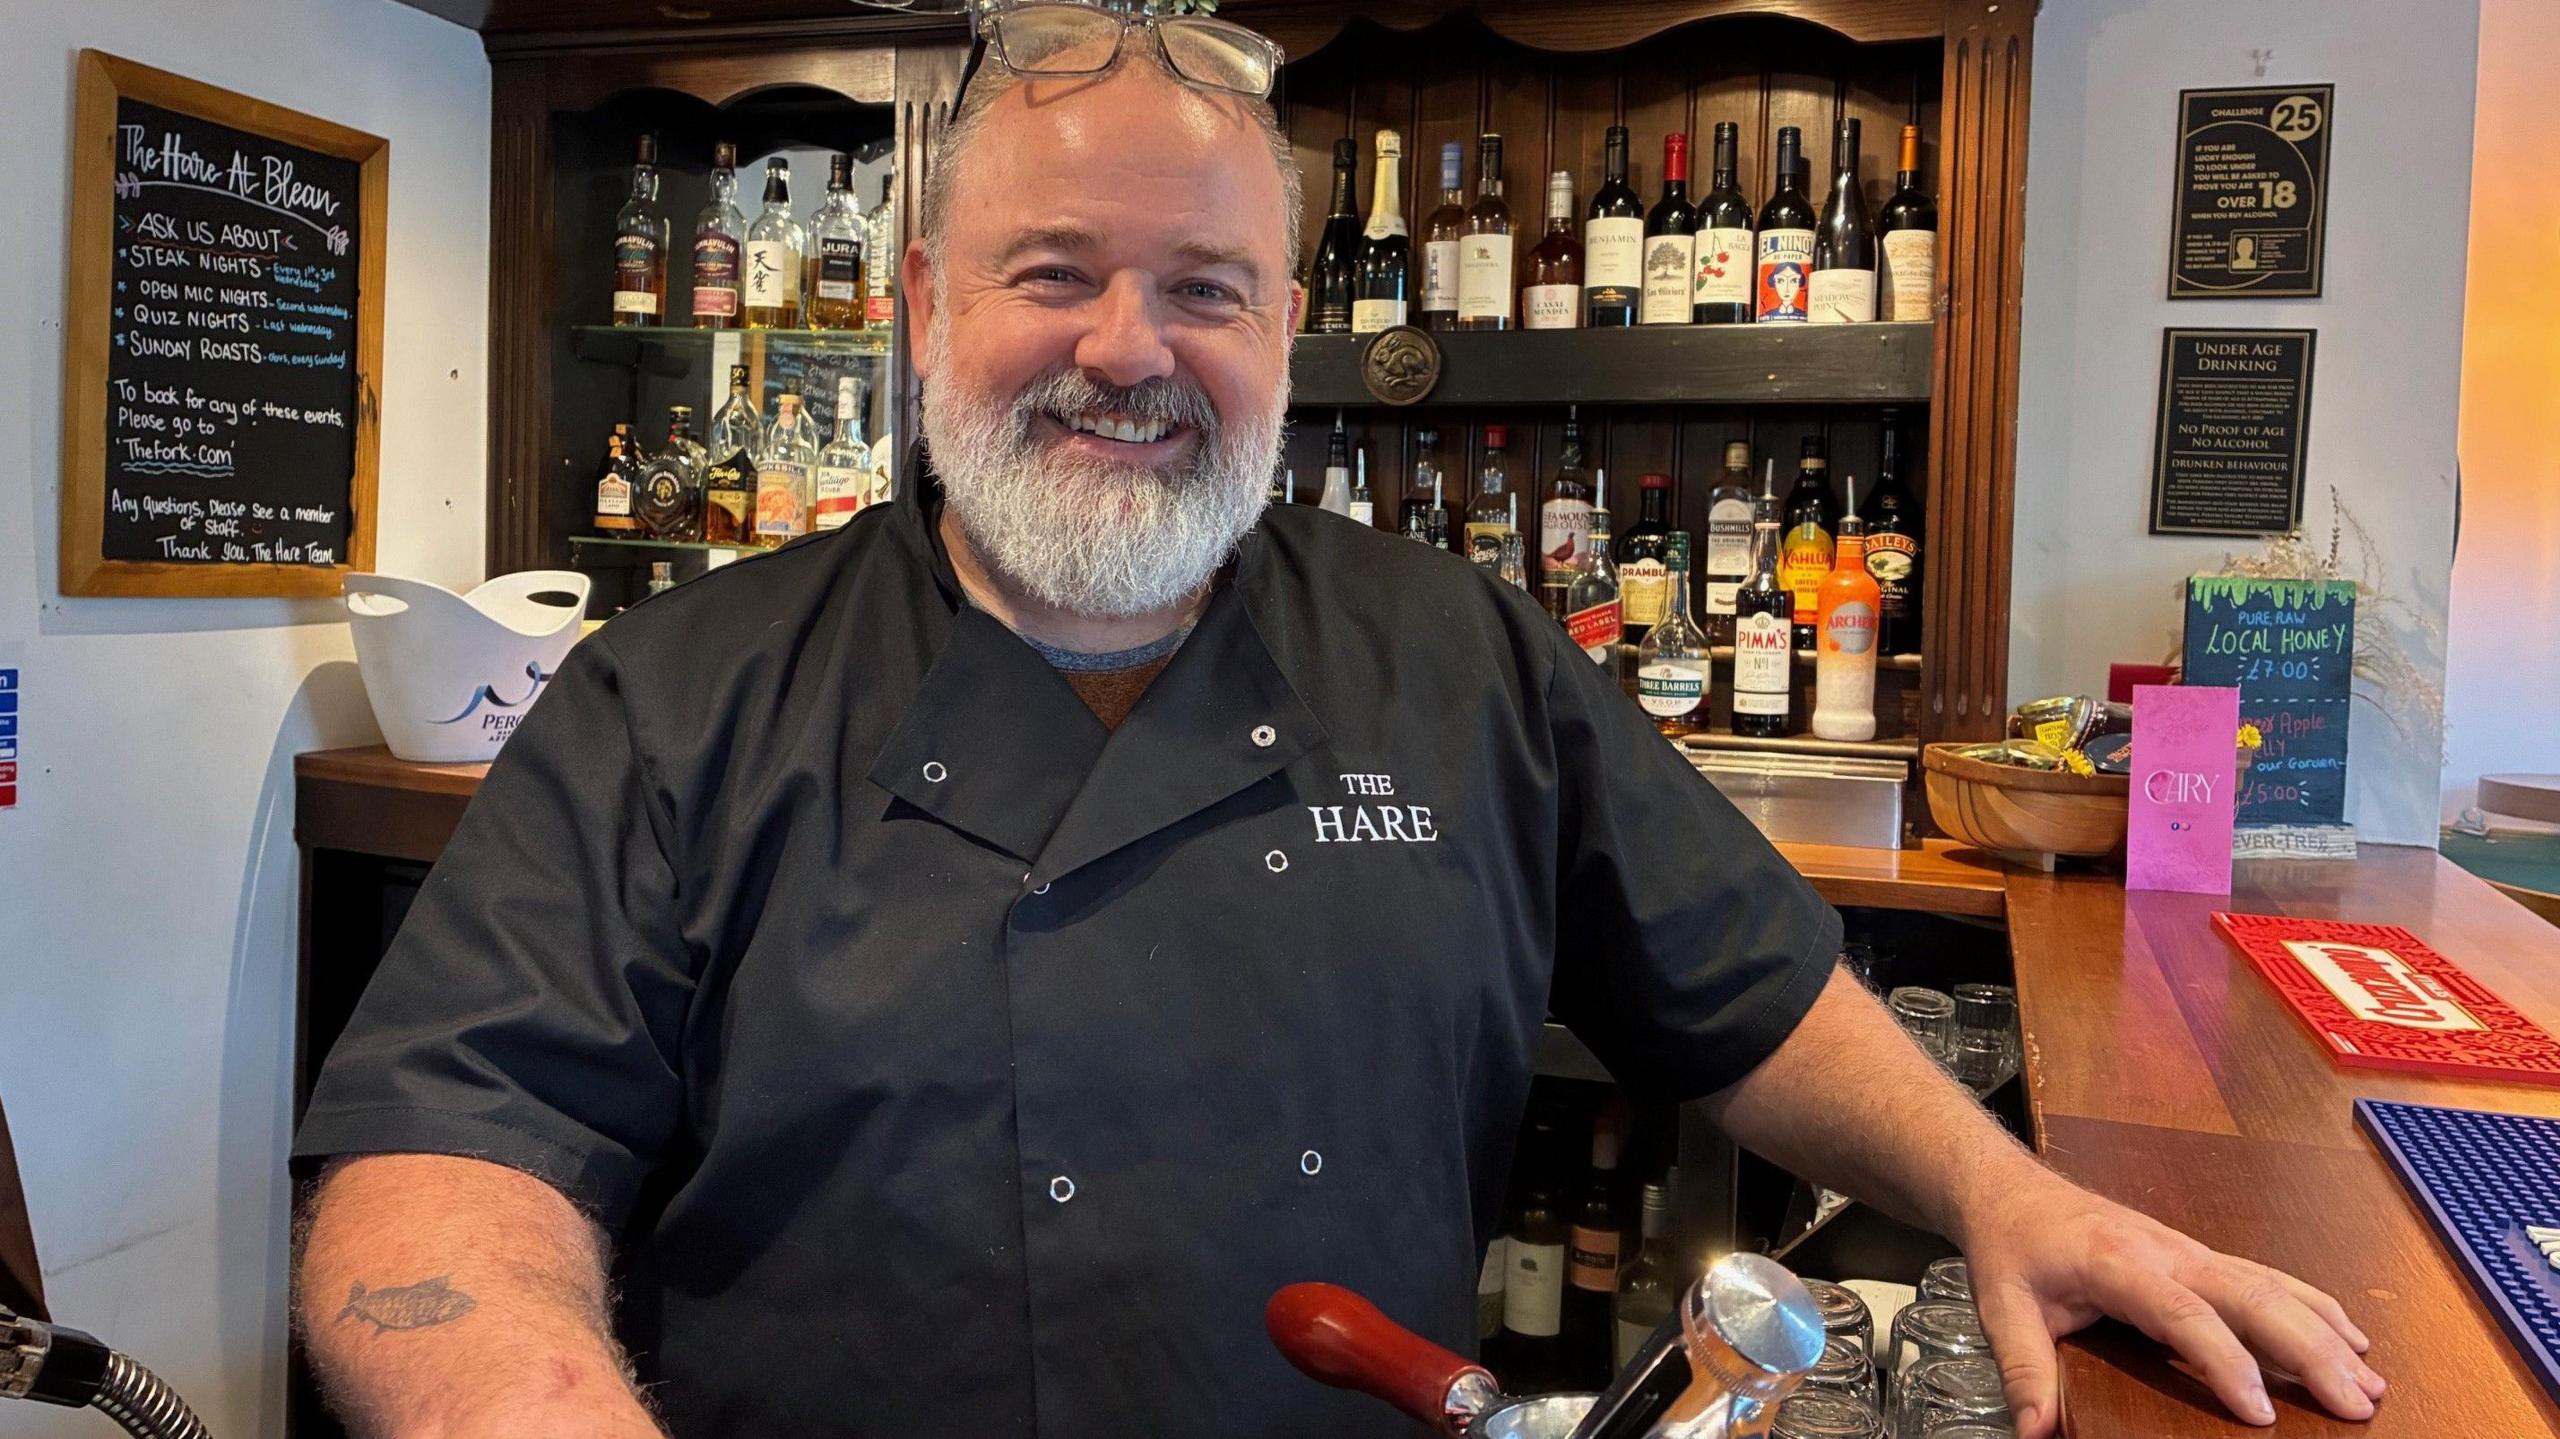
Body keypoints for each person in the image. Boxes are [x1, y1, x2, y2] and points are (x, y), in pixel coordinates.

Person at [291, 9, 2385, 1438]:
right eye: (1051, 272)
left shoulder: (1454, 656)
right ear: (923, 308)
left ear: (1287, 333)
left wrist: (2005, 1191)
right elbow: (438, 1177)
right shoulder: (678, 696)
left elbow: (1744, 990)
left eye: (1203, 286)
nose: (1128, 348)